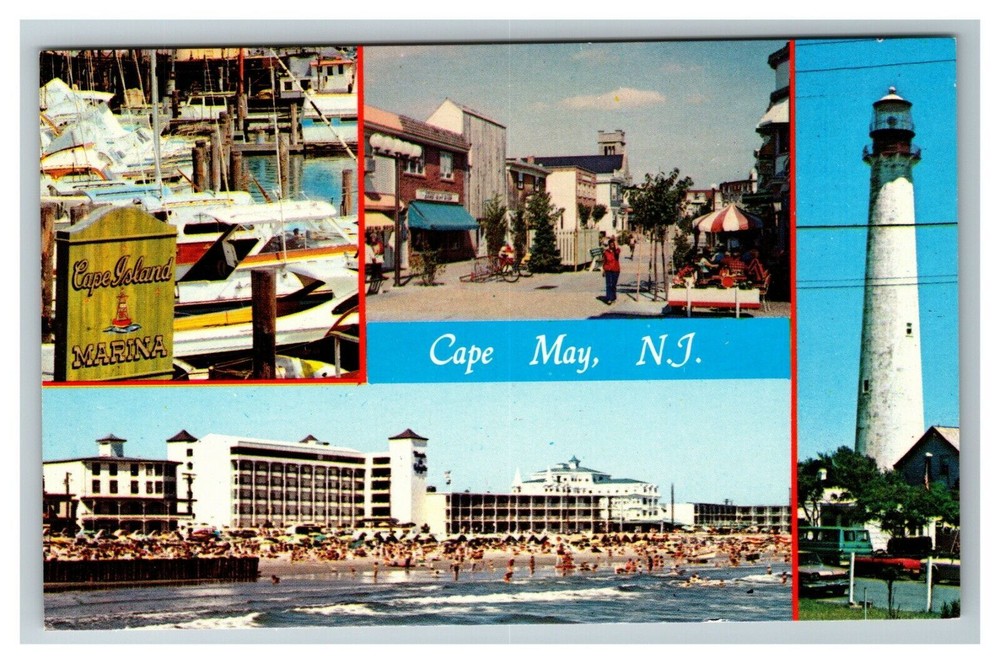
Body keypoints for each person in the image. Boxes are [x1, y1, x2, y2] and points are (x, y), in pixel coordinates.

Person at [601, 236, 621, 304]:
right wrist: (603, 270)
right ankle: (609, 298)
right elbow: (604, 261)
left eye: (613, 244)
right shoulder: (606, 252)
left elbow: (618, 251)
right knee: (608, 284)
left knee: (613, 284)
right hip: (608, 269)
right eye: (611, 244)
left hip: (615, 269)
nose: (612, 245)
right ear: (609, 244)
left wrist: (616, 243)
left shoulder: (616, 252)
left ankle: (613, 297)